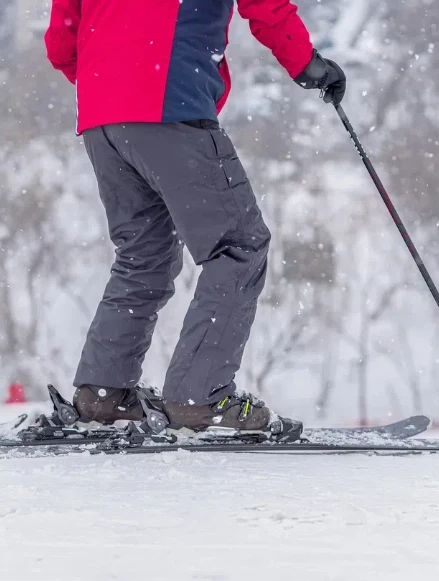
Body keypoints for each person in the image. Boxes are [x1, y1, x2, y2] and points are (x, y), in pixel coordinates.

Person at [44, 0, 345, 437]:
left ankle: (102, 394)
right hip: (170, 102)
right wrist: (308, 65)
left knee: (143, 255)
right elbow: (268, 9)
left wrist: (115, 82)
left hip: (102, 115)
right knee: (238, 246)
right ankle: (199, 398)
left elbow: (60, 43)